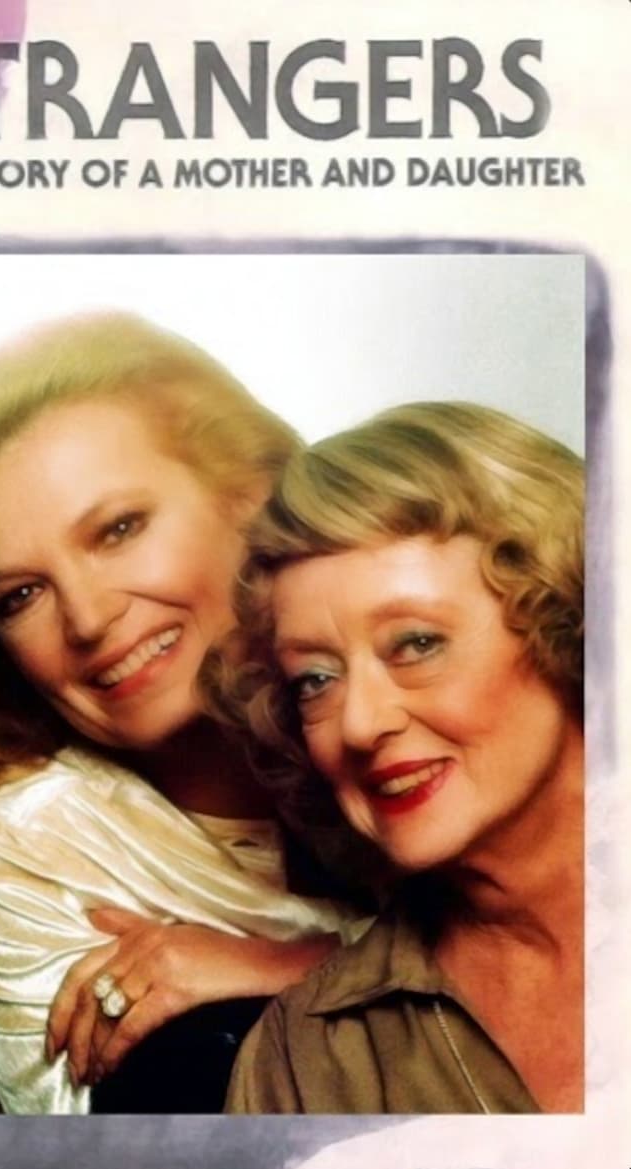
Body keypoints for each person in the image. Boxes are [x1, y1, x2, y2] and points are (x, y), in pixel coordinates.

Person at [0, 312, 371, 1115]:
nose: (88, 618)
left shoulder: (410, 718)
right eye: (20, 594)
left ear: (248, 495)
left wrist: (292, 964)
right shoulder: (28, 847)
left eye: (118, 529)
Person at [223, 401, 584, 1114]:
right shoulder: (304, 1064)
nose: (360, 723)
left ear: (562, 618)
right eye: (314, 679)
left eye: (416, 643)